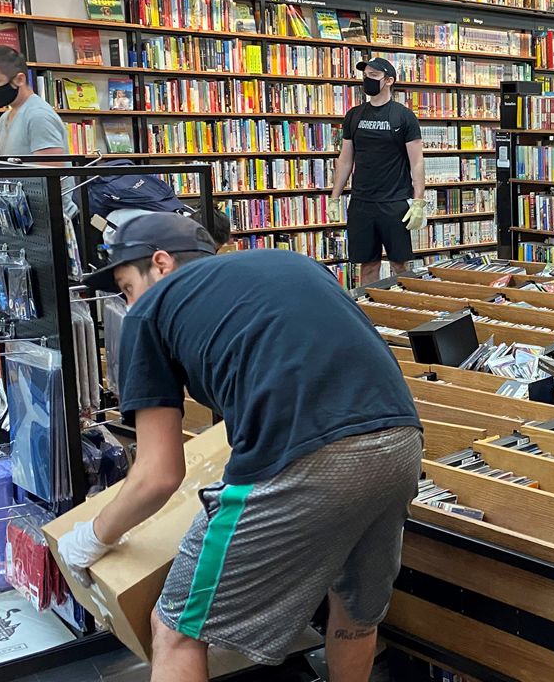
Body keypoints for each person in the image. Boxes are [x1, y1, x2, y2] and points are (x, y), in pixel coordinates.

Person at [59, 214, 424, 682]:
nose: (128, 302)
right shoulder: (293, 263)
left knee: (175, 629)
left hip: (304, 459)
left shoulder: (149, 315)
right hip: (399, 442)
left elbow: (158, 475)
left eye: (127, 287)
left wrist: (91, 538)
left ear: (161, 262)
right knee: (356, 611)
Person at [330, 57, 428, 285]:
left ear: (389, 81)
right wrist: (334, 198)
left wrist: (418, 201)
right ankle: (368, 315)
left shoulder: (404, 116)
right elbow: (345, 160)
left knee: (400, 265)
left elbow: (417, 162)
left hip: (394, 202)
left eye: (374, 76)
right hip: (362, 202)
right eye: (365, 75)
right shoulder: (354, 115)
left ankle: (404, 313)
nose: (367, 80)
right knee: (367, 265)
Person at [0, 45, 76, 216]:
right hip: (23, 213)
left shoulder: (38, 116)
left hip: (49, 217)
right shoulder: (5, 117)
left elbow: (50, 179)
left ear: (19, 79)